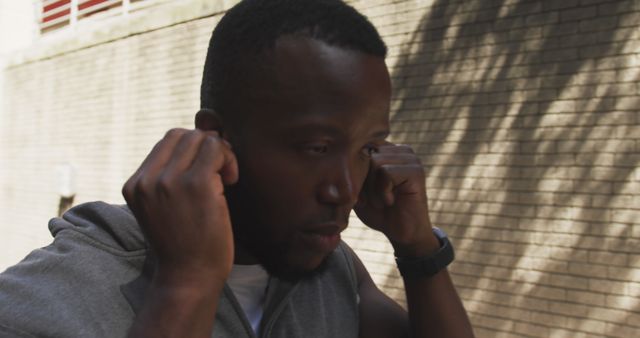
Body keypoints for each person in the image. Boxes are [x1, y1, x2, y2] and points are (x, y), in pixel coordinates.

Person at [0, 0, 475, 337]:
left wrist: (418, 251)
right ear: (215, 138)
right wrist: (187, 284)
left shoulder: (333, 271)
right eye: (315, 147)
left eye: (366, 149)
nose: (346, 189)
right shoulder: (44, 299)